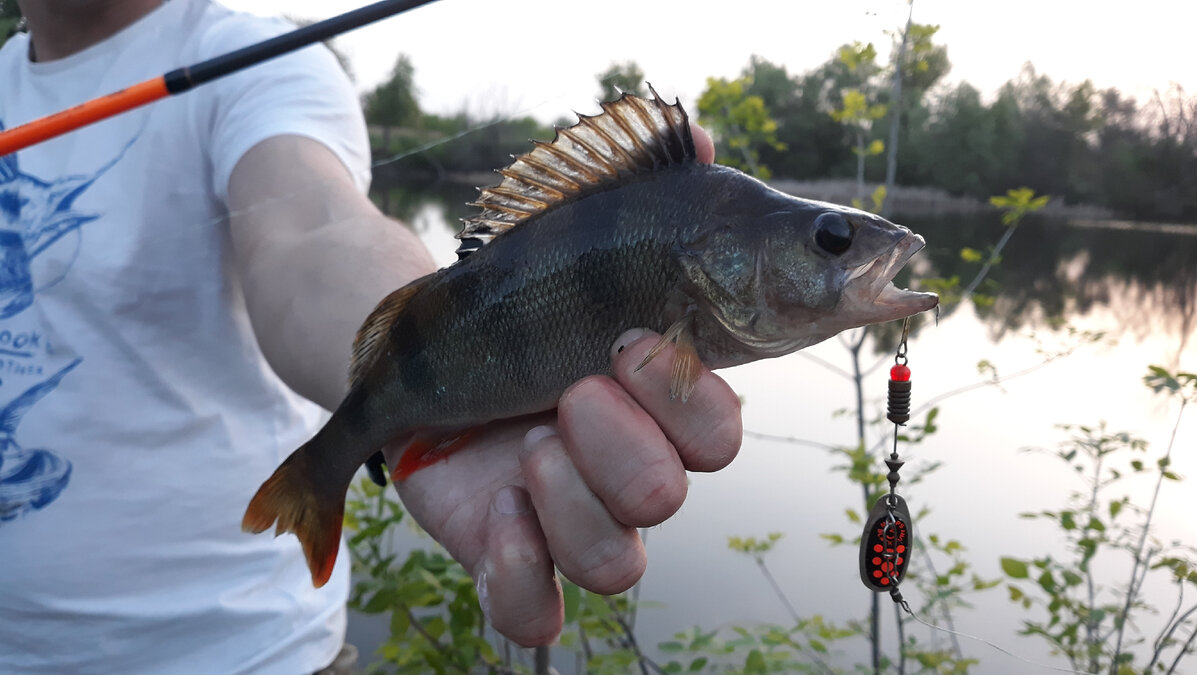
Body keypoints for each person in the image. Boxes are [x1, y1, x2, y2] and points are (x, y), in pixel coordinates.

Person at [0, 0, 742, 672]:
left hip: (236, 652)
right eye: (832, 241)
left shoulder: (258, 65)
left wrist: (397, 374)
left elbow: (311, 233)